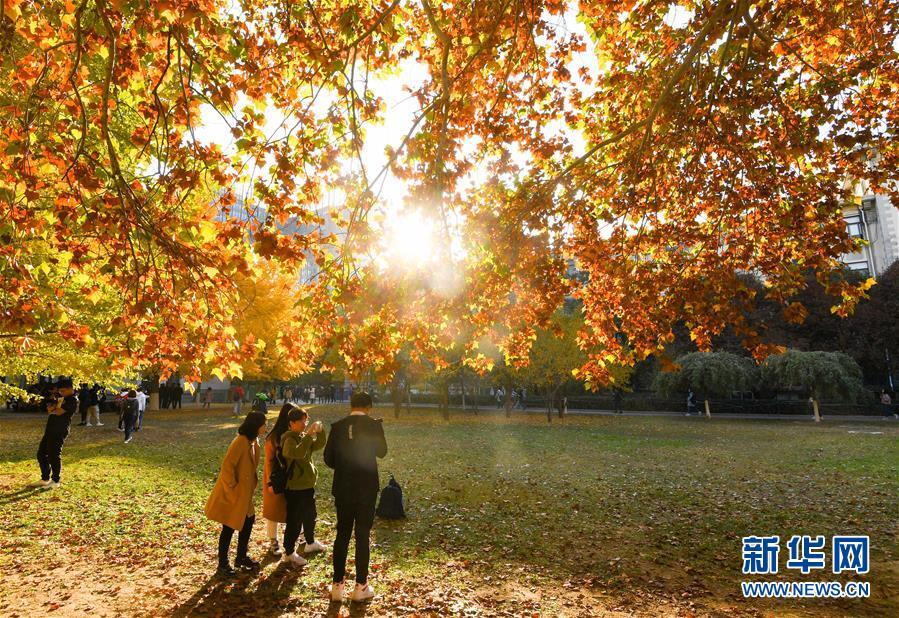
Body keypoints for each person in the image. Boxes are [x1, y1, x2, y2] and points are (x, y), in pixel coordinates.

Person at [324, 391, 387, 602]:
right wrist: (379, 430)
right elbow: (382, 452)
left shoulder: (338, 426)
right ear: (368, 406)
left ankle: (337, 586)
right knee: (362, 534)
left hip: (343, 486)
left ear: (351, 405)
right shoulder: (373, 425)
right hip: (366, 487)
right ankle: (361, 586)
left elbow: (328, 458)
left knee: (342, 534)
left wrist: (343, 466)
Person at [205, 411, 267, 576]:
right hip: (234, 493)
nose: (266, 427)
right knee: (229, 527)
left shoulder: (253, 442)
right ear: (256, 425)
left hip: (245, 494)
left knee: (248, 522)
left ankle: (241, 557)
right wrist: (233, 487)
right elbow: (227, 466)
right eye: (264, 424)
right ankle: (222, 564)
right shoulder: (240, 441)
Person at [281, 407, 327, 567]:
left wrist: (320, 431)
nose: (304, 424)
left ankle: (310, 542)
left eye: (305, 420)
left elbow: (318, 445)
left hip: (307, 486)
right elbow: (297, 453)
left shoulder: (301, 437)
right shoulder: (289, 439)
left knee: (310, 515)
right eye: (301, 421)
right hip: (295, 488)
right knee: (294, 521)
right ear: (291, 423)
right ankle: (288, 552)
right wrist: (308, 435)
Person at [32, 378, 78, 488]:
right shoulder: (60, 398)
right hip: (50, 428)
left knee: (54, 455)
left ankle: (56, 480)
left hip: (60, 429)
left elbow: (58, 412)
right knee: (41, 454)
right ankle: (45, 478)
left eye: (63, 391)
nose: (61, 393)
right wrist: (52, 406)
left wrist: (54, 408)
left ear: (70, 389)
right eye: (60, 391)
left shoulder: (73, 399)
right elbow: (50, 410)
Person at [262, 404, 293, 555]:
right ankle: (273, 541)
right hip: (275, 476)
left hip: (290, 477)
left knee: (291, 509)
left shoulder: (292, 434)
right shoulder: (273, 437)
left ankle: (293, 538)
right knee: (273, 511)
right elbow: (268, 461)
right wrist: (269, 482)